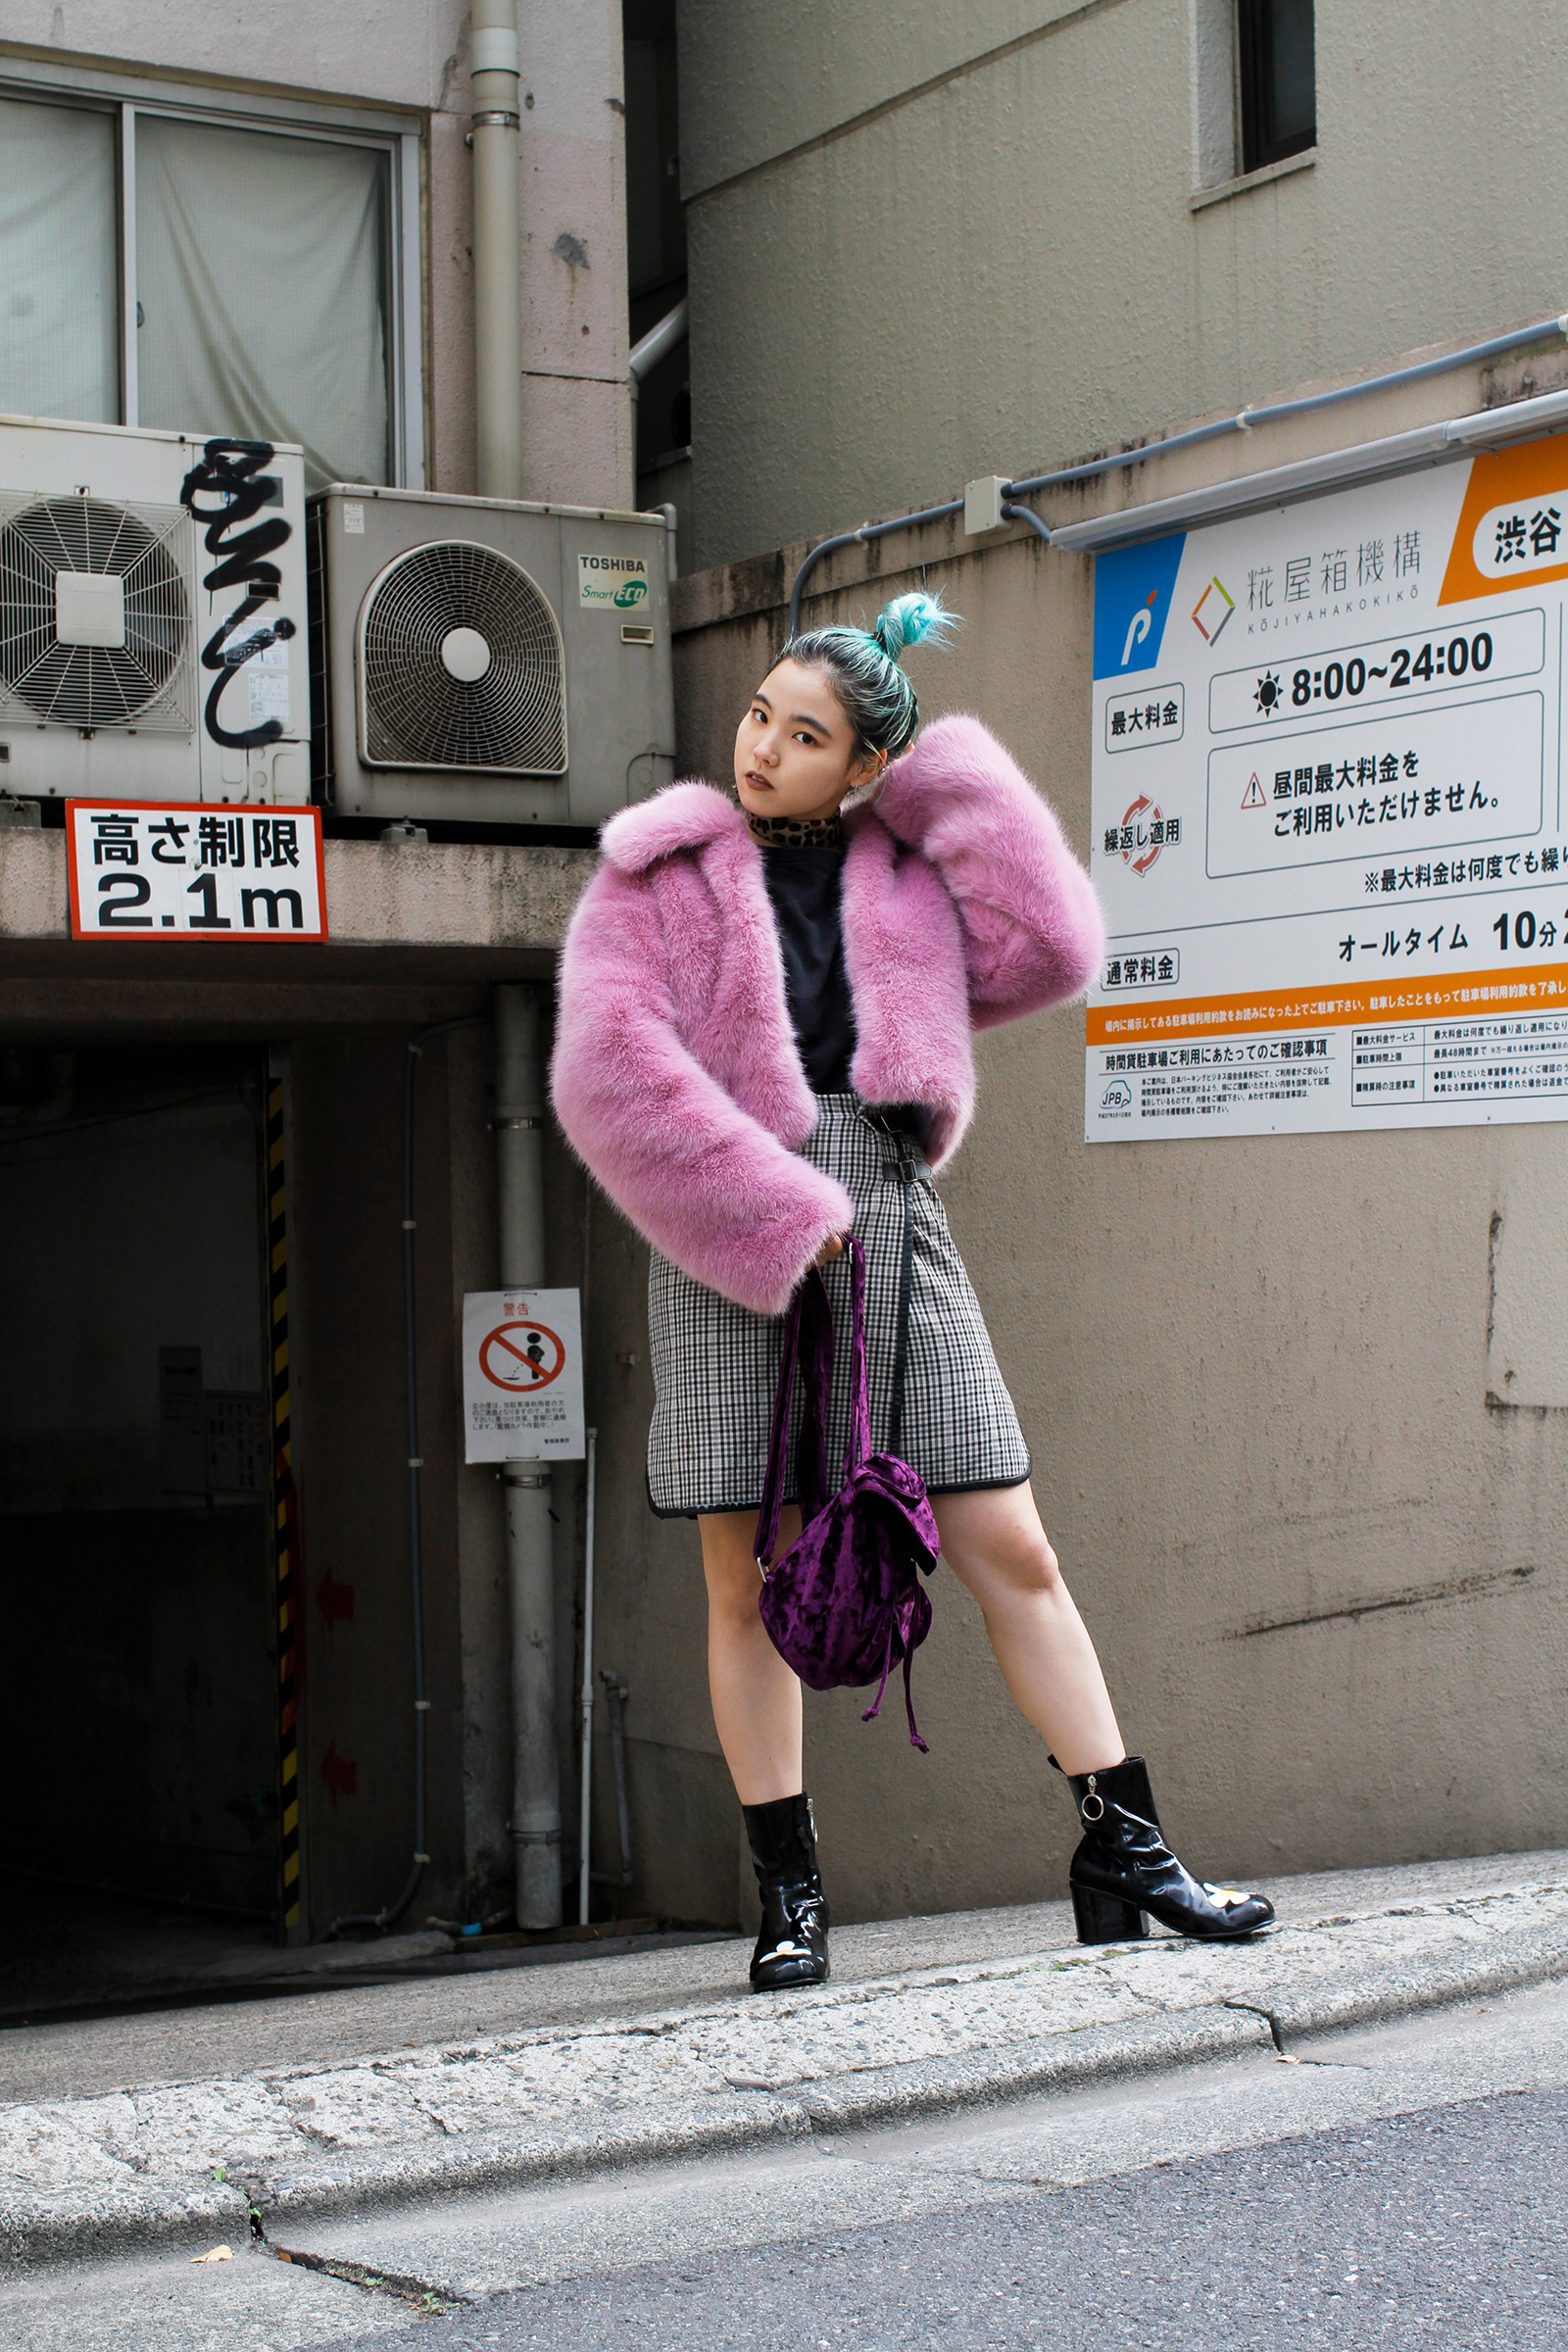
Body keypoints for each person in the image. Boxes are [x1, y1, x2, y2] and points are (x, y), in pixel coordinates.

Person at [552, 591, 1273, 1990]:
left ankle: (1127, 1850)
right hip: (731, 1226)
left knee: (1014, 1544)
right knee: (747, 1579)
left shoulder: (907, 876)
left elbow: (1051, 945)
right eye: (759, 715)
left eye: (804, 734)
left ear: (866, 764)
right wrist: (777, 1213)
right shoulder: (657, 875)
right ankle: (791, 1897)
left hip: (890, 1220)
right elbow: (608, 1078)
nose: (761, 747)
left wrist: (936, 780)